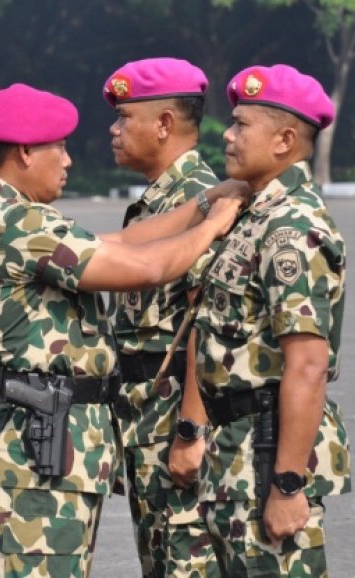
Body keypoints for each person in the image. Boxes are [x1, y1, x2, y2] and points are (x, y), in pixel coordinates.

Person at [0, 83, 245, 578]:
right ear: (25, 152)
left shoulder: (5, 215)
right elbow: (145, 267)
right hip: (33, 449)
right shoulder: (19, 223)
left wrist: (203, 203)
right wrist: (213, 226)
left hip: (35, 442)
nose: (68, 161)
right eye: (59, 148)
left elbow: (121, 240)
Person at [169, 64, 351, 576]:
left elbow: (308, 366)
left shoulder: (291, 228)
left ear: (285, 140)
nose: (226, 135)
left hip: (267, 453)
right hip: (233, 454)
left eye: (242, 124)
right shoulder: (251, 213)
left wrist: (288, 485)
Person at [103, 57, 220, 577]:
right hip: (148, 425)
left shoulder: (201, 200)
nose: (114, 128)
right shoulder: (159, 202)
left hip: (176, 424)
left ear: (165, 124)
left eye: (125, 117)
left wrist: (192, 431)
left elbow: (207, 324)